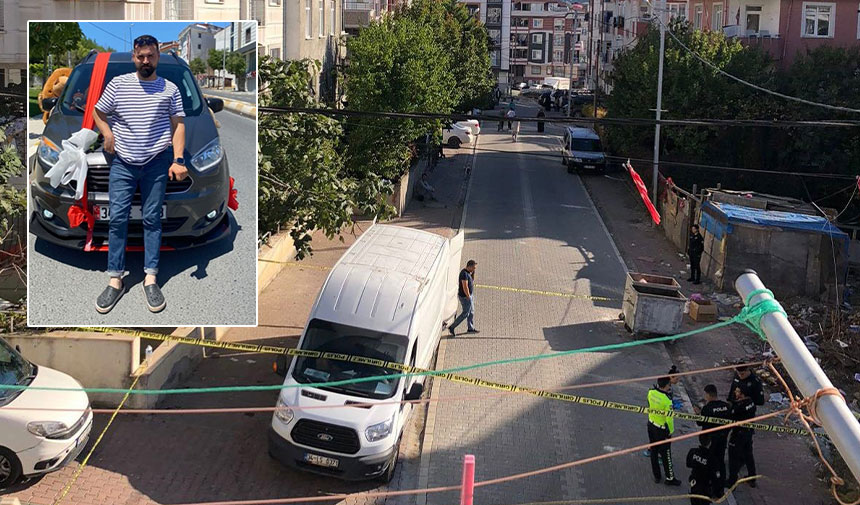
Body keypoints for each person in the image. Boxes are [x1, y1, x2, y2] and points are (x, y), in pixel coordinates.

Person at [92, 34, 186, 314]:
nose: (146, 61)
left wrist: (178, 159)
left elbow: (178, 124)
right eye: (141, 56)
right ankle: (115, 279)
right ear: (134, 57)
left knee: (152, 219)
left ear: (158, 57)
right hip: (122, 162)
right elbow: (98, 111)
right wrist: (107, 133)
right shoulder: (118, 85)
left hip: (157, 162)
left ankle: (151, 278)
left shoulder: (170, 89)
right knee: (118, 218)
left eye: (151, 56)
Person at [695, 384, 732, 497]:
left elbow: (700, 422)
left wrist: (697, 414)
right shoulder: (726, 406)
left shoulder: (707, 408)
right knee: (720, 463)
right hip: (722, 439)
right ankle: (720, 489)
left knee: (710, 463)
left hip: (710, 441)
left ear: (708, 394)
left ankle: (710, 487)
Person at [647, 376, 682, 486]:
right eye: (669, 385)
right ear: (666, 385)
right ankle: (670, 478)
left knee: (653, 451)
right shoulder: (667, 401)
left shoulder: (651, 392)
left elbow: (649, 403)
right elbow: (669, 419)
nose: (669, 386)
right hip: (662, 430)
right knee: (666, 454)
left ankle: (657, 476)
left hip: (651, 425)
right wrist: (670, 432)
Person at [727, 385, 758, 489]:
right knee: (748, 455)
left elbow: (731, 416)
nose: (735, 393)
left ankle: (732, 481)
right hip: (748, 433)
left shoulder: (739, 406)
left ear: (742, 394)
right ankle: (752, 478)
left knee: (733, 457)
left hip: (738, 434)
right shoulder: (751, 402)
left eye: (737, 391)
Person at [449, 260, 479, 336]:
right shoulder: (464, 274)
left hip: (469, 295)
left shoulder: (468, 273)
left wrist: (473, 273)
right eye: (473, 268)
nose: (474, 269)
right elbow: (465, 286)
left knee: (471, 312)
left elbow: (472, 281)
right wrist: (469, 297)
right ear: (469, 266)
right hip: (465, 297)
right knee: (465, 313)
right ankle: (452, 327)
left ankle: (470, 328)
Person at [686, 434, 714, 505]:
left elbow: (688, 464)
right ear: (710, 442)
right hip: (705, 487)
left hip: (694, 483)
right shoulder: (712, 458)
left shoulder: (693, 452)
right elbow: (715, 475)